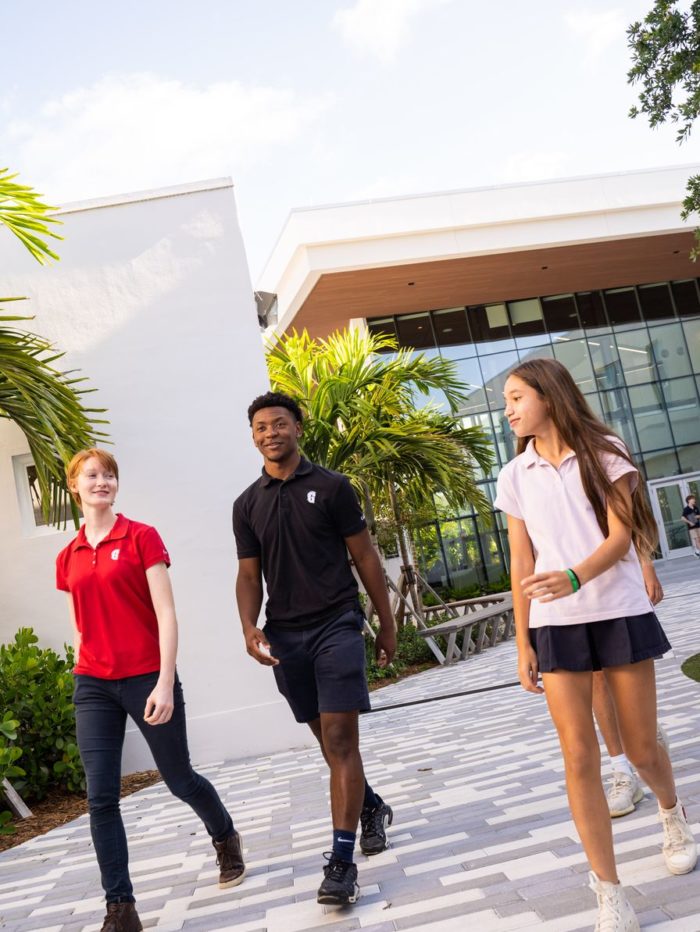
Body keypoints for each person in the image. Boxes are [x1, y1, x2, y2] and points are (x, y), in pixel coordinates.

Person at [495, 358, 696, 932]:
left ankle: (670, 810)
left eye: (516, 398)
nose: (508, 409)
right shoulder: (516, 475)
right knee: (579, 755)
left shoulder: (605, 451)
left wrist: (575, 578)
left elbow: (620, 534)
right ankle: (608, 890)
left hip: (617, 612)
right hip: (556, 625)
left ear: (549, 398)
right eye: (507, 399)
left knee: (639, 747)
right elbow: (521, 561)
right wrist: (523, 641)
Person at [57, 449, 245, 932]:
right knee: (100, 797)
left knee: (179, 777)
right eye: (92, 475)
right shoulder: (68, 556)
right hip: (93, 683)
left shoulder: (141, 537)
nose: (103, 482)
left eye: (110, 475)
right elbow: (83, 622)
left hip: (147, 676)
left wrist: (164, 681)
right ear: (74, 486)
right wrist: (84, 668)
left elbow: (166, 613)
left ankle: (224, 835)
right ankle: (120, 909)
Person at [233, 391, 397, 908]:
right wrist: (248, 627)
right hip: (285, 636)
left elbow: (366, 556)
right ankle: (370, 806)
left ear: (298, 428)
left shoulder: (332, 487)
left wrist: (385, 622)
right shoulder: (247, 504)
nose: (269, 433)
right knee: (329, 745)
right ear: (254, 436)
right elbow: (247, 574)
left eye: (278, 424)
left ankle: (341, 864)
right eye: (260, 427)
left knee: (341, 738)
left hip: (337, 625)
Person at [593, 563, 667, 819]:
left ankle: (644, 730)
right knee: (597, 676)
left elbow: (633, 523)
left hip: (618, 578)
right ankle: (621, 770)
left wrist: (646, 566)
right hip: (572, 593)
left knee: (627, 666)